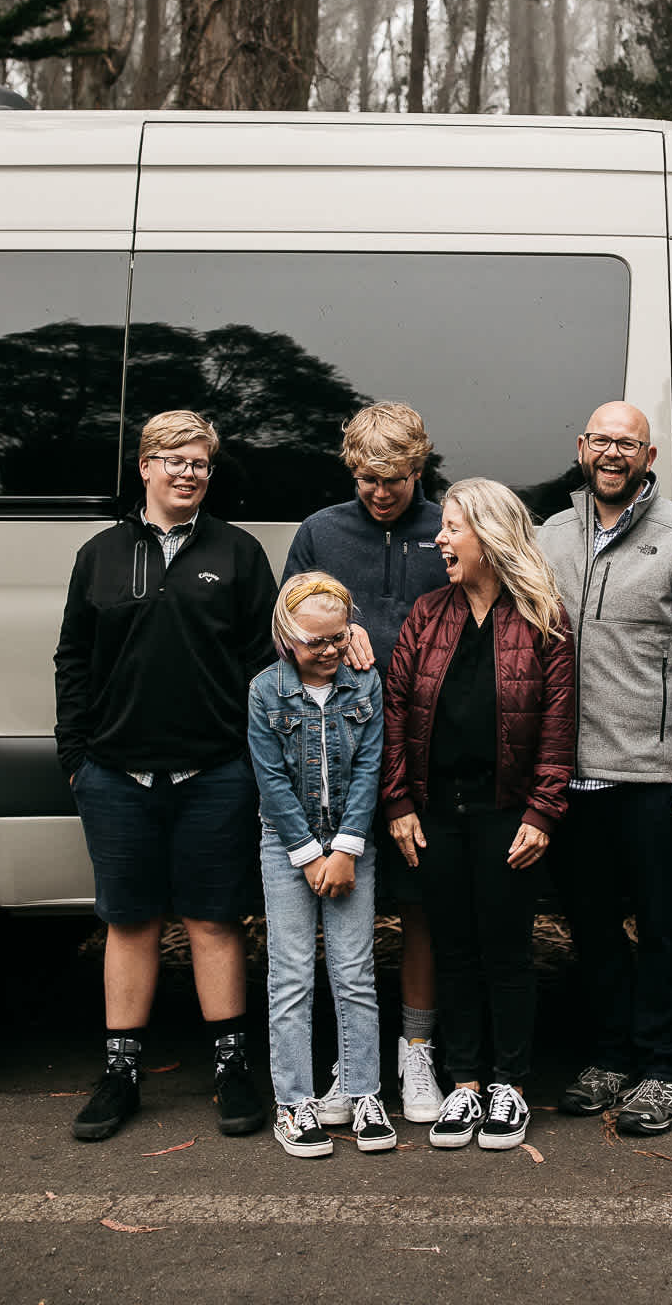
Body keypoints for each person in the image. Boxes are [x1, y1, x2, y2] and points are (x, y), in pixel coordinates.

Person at [54, 409, 277, 1142]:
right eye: (174, 460)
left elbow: (261, 664)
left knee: (214, 920)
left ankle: (232, 1068)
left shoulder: (239, 554)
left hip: (214, 773)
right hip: (116, 776)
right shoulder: (101, 554)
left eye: (201, 463)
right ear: (145, 467)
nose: (188, 473)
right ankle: (120, 1075)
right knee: (130, 922)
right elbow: (75, 661)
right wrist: (77, 761)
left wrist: (248, 762)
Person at [539, 401, 672, 1136]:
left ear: (648, 457)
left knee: (661, 926)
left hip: (658, 774)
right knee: (588, 925)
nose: (612, 453)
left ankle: (665, 1068)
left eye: (628, 443)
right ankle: (611, 1053)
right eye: (601, 441)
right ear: (582, 448)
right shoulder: (550, 534)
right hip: (571, 773)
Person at [382, 478, 575, 1152]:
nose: (439, 537)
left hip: (507, 815)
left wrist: (544, 812)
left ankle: (512, 1087)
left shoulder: (544, 615)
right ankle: (465, 1084)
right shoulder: (428, 612)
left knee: (507, 951)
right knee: (453, 950)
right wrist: (400, 802)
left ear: (490, 536)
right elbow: (396, 710)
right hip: (436, 813)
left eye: (453, 527)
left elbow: (558, 726)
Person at [282, 402, 447, 1124]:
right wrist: (330, 635)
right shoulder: (321, 531)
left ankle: (416, 1052)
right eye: (366, 478)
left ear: (419, 467)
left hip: (423, 757)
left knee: (420, 910)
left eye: (394, 478)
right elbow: (281, 636)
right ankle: (349, 1066)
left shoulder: (446, 529)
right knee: (339, 912)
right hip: (338, 760)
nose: (379, 492)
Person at [248, 572, 396, 1158]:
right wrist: (310, 854)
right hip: (286, 846)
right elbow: (271, 780)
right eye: (315, 643)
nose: (330, 651)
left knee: (354, 972)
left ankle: (362, 1093)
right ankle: (294, 1101)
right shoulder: (266, 690)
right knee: (290, 976)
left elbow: (370, 771)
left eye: (338, 638)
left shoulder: (364, 684)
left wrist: (347, 847)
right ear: (287, 638)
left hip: (351, 845)